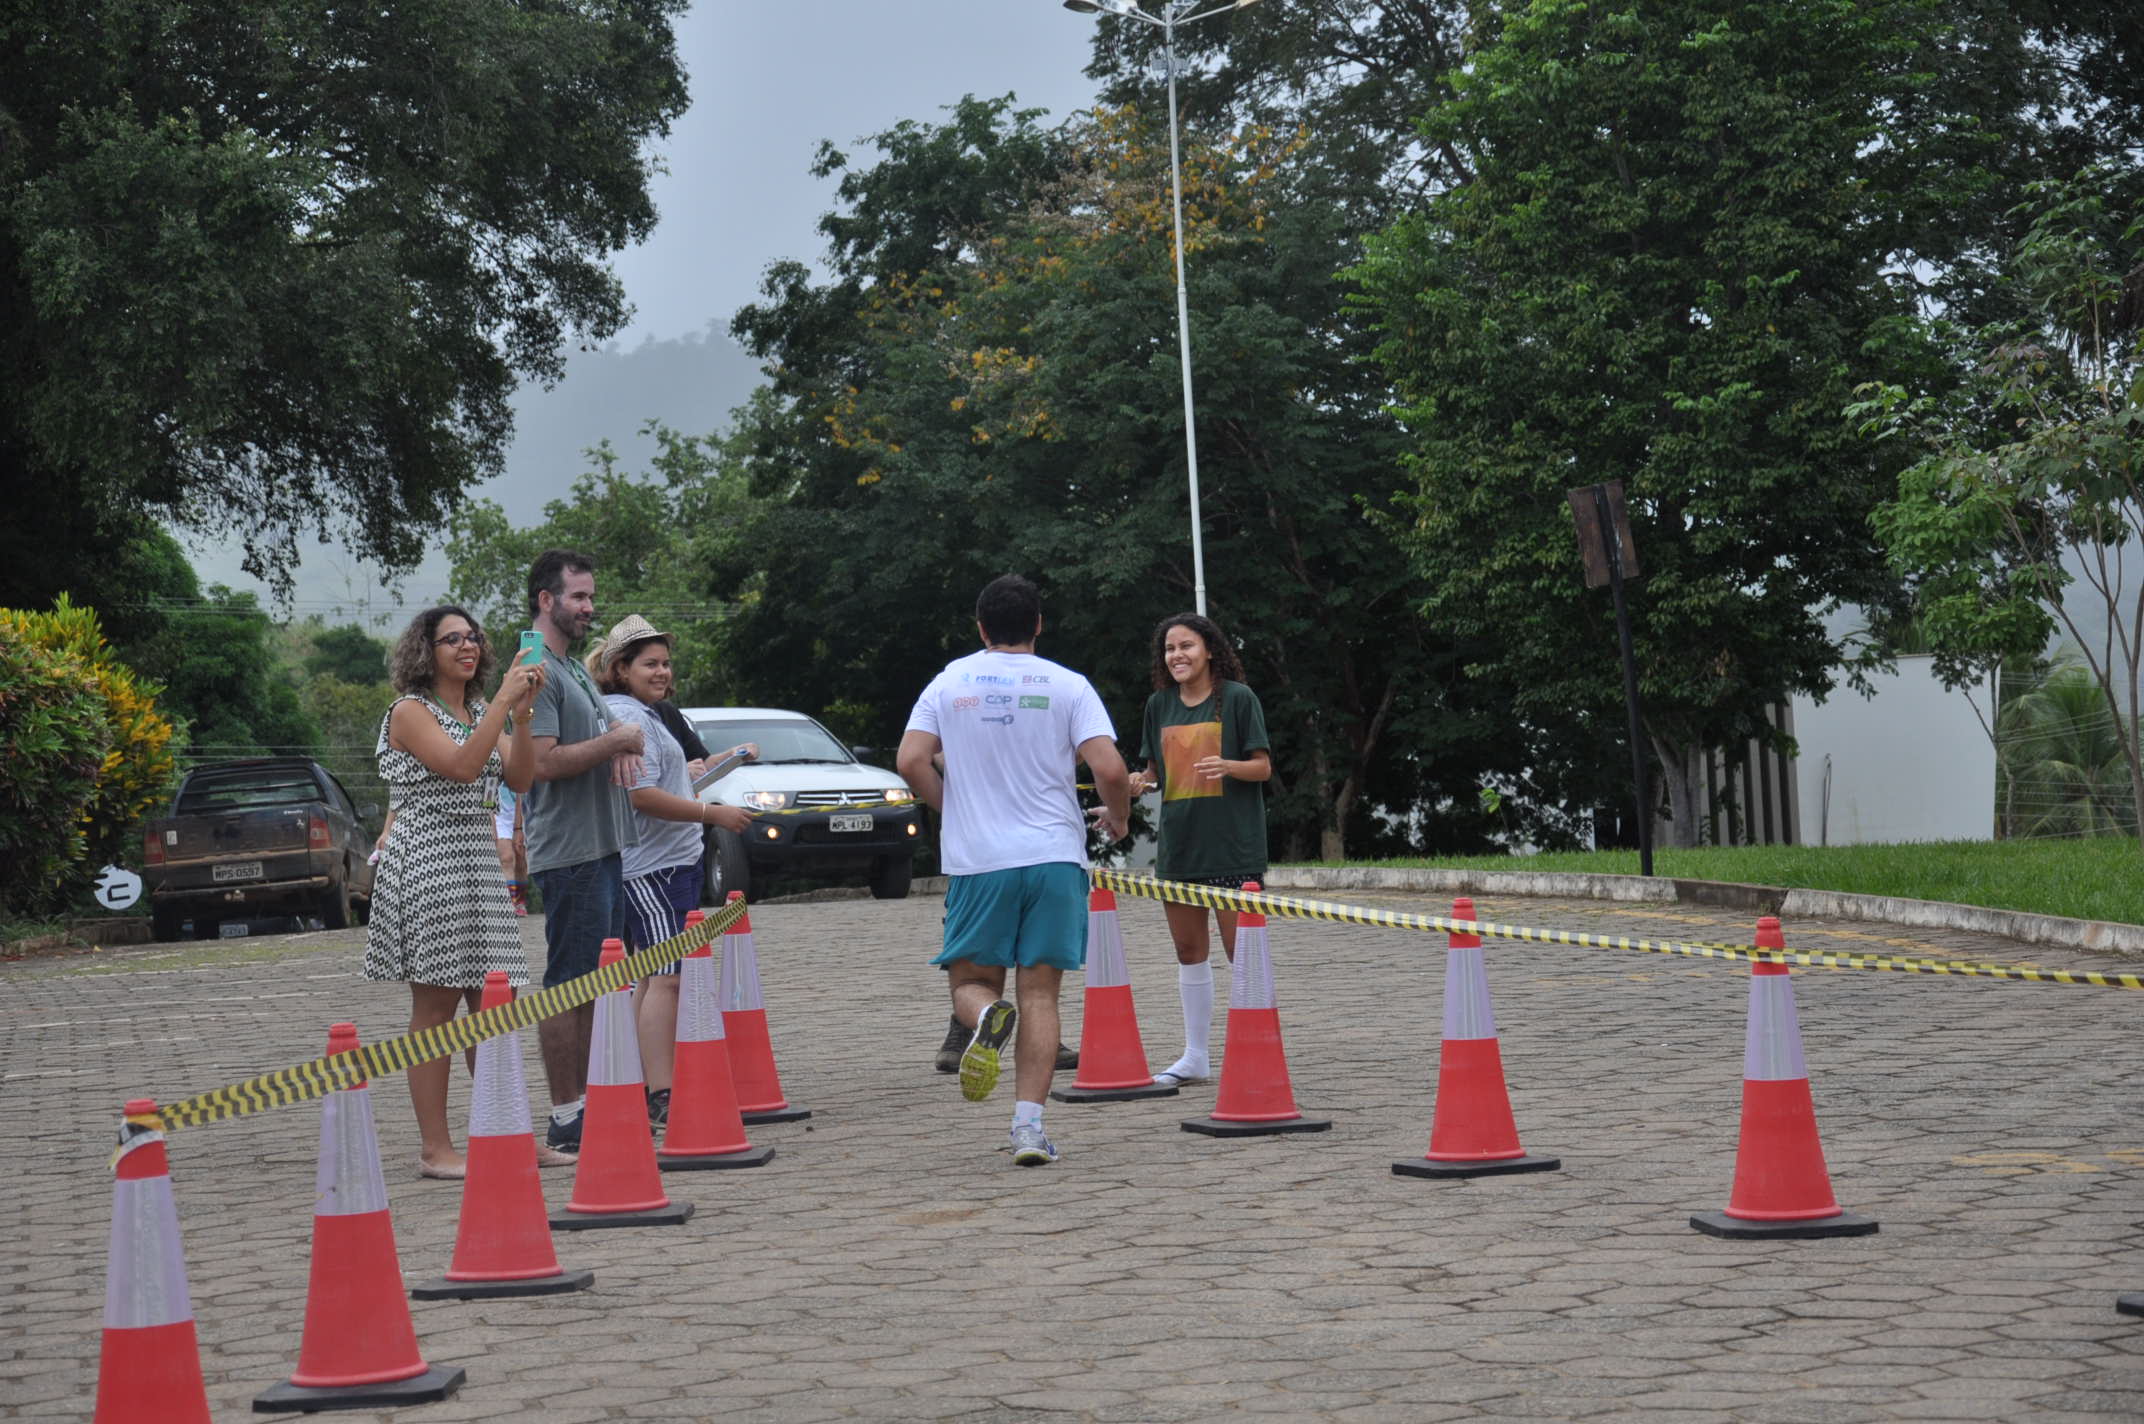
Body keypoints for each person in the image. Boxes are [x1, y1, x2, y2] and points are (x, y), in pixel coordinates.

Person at [898, 575, 1131, 1166]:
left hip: (981, 862)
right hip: (1055, 858)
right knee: (1042, 995)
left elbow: (910, 760)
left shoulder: (948, 683)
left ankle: (985, 1017)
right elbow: (1109, 768)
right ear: (1038, 625)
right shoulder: (1068, 684)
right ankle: (1029, 1129)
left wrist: (954, 808)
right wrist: (1120, 816)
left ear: (980, 628)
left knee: (970, 984)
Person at [362, 605, 551, 1177]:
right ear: (426, 651)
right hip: (428, 858)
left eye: (473, 637)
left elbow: (521, 779)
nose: (468, 646)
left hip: (478, 859)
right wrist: (501, 704)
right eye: (452, 639)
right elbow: (464, 767)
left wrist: (520, 715)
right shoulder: (410, 711)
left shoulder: (476, 709)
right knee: (436, 1006)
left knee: (495, 1001)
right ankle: (435, 1149)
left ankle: (511, 1132)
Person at [587, 614, 757, 1123]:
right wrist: (712, 814)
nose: (662, 672)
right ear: (621, 668)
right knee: (669, 978)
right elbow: (641, 797)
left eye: (665, 663)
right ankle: (662, 1093)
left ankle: (639, 1084)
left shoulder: (646, 714)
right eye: (649, 663)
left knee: (651, 976)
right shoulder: (628, 719)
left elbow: (662, 783)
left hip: (668, 865)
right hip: (653, 869)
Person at [521, 549, 646, 1155]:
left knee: (598, 983)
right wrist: (618, 740)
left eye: (591, 596)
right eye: (578, 597)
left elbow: (599, 739)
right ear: (546, 600)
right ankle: (567, 1115)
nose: (589, 607)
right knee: (568, 984)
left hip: (601, 846)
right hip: (570, 853)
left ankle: (596, 1104)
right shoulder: (536, 669)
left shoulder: (570, 667)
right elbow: (541, 763)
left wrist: (618, 739)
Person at [1128, 612, 1272, 1089]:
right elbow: (1155, 773)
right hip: (1180, 850)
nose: (1177, 656)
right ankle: (1195, 1057)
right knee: (1189, 950)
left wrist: (1229, 765)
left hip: (1233, 849)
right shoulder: (1158, 705)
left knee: (1242, 954)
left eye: (1186, 646)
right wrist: (1139, 781)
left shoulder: (1238, 698)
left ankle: (1258, 1055)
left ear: (1210, 650)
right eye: (1170, 649)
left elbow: (1262, 768)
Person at [494, 784, 528, 915]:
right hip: (499, 812)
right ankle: (510, 903)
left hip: (522, 810)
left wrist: (519, 826)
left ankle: (520, 901)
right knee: (506, 858)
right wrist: (490, 819)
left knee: (521, 860)